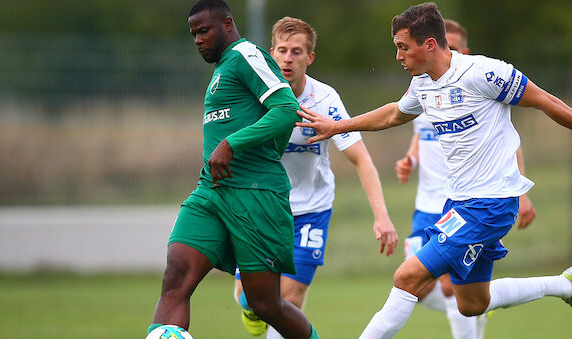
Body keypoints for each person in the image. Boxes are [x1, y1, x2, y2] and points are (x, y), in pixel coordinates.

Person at [295, 3, 572, 339]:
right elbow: (394, 114)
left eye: (402, 47)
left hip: (490, 204)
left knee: (406, 277)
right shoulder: (423, 85)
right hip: (458, 203)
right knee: (471, 303)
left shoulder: (483, 73)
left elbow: (547, 101)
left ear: (429, 45)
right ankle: (563, 284)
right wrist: (340, 126)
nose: (398, 57)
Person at [147, 1, 322, 338]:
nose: (197, 40)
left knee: (264, 304)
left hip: (256, 195)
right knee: (176, 277)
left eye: (203, 31)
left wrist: (232, 144)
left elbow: (286, 110)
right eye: (193, 34)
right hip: (211, 191)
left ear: (227, 24)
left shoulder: (246, 55)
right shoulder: (224, 67)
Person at [232, 17, 399, 338]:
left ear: (310, 57)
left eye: (297, 52)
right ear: (271, 53)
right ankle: (250, 306)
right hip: (262, 207)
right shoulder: (253, 96)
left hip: (311, 209)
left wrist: (382, 217)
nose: (288, 58)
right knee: (251, 297)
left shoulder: (324, 100)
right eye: (282, 50)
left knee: (289, 300)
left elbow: (361, 160)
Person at [393, 19, 537, 339]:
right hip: (432, 202)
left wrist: (523, 195)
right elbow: (416, 133)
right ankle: (476, 317)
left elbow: (508, 142)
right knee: (463, 299)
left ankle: (468, 332)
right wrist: (409, 160)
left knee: (427, 282)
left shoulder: (475, 83)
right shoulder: (423, 88)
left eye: (453, 48)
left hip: (475, 202)